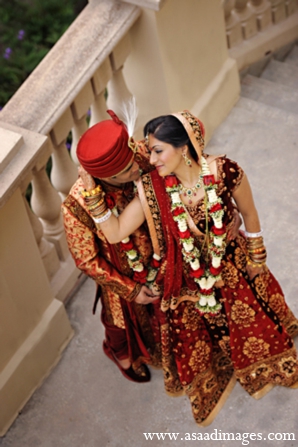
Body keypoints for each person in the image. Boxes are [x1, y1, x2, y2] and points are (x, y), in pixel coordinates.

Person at [80, 109, 298, 426]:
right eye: (150, 151)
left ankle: (260, 365)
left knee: (247, 318)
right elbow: (114, 232)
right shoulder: (152, 188)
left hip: (231, 262)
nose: (150, 159)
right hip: (186, 277)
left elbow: (249, 214)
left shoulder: (224, 171)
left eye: (157, 150)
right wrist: (92, 190)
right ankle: (222, 366)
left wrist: (256, 255)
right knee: (202, 330)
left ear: (183, 147)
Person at [62, 109, 161, 383]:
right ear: (106, 178)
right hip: (121, 273)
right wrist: (129, 290)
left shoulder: (143, 154)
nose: (138, 168)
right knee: (119, 325)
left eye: (134, 160)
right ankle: (123, 358)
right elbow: (86, 260)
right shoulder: (77, 206)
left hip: (163, 255)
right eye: (127, 171)